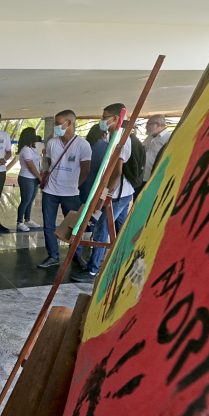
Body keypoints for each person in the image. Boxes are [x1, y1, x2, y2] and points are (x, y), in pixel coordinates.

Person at [71, 103, 134, 283]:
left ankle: (93, 270)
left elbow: (116, 173)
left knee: (102, 230)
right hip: (123, 192)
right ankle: (121, 261)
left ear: (115, 119)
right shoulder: (115, 136)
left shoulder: (121, 139)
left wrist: (105, 196)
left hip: (116, 195)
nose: (102, 120)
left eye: (105, 117)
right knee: (120, 230)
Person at [37, 109, 92, 269]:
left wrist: (74, 185)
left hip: (71, 193)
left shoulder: (83, 145)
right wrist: (44, 176)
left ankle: (76, 254)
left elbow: (86, 169)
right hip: (50, 192)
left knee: (74, 225)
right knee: (48, 225)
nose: (55, 126)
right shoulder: (52, 143)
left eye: (58, 122)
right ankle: (53, 255)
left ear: (69, 123)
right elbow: (47, 163)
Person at [15, 127, 42, 232]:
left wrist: (40, 174)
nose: (36, 136)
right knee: (26, 200)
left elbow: (37, 163)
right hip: (26, 178)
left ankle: (28, 219)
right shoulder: (25, 149)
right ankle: (19, 222)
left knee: (30, 200)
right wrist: (39, 177)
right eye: (34, 134)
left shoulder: (33, 148)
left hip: (34, 178)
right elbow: (30, 165)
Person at [140, 114, 171, 197]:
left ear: (157, 124)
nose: (146, 127)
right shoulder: (149, 137)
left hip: (154, 181)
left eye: (148, 124)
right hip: (142, 178)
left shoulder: (168, 138)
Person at [79, 123, 108, 205]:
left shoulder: (84, 145)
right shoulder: (108, 148)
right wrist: (103, 197)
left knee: (81, 212)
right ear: (104, 134)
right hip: (99, 190)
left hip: (82, 186)